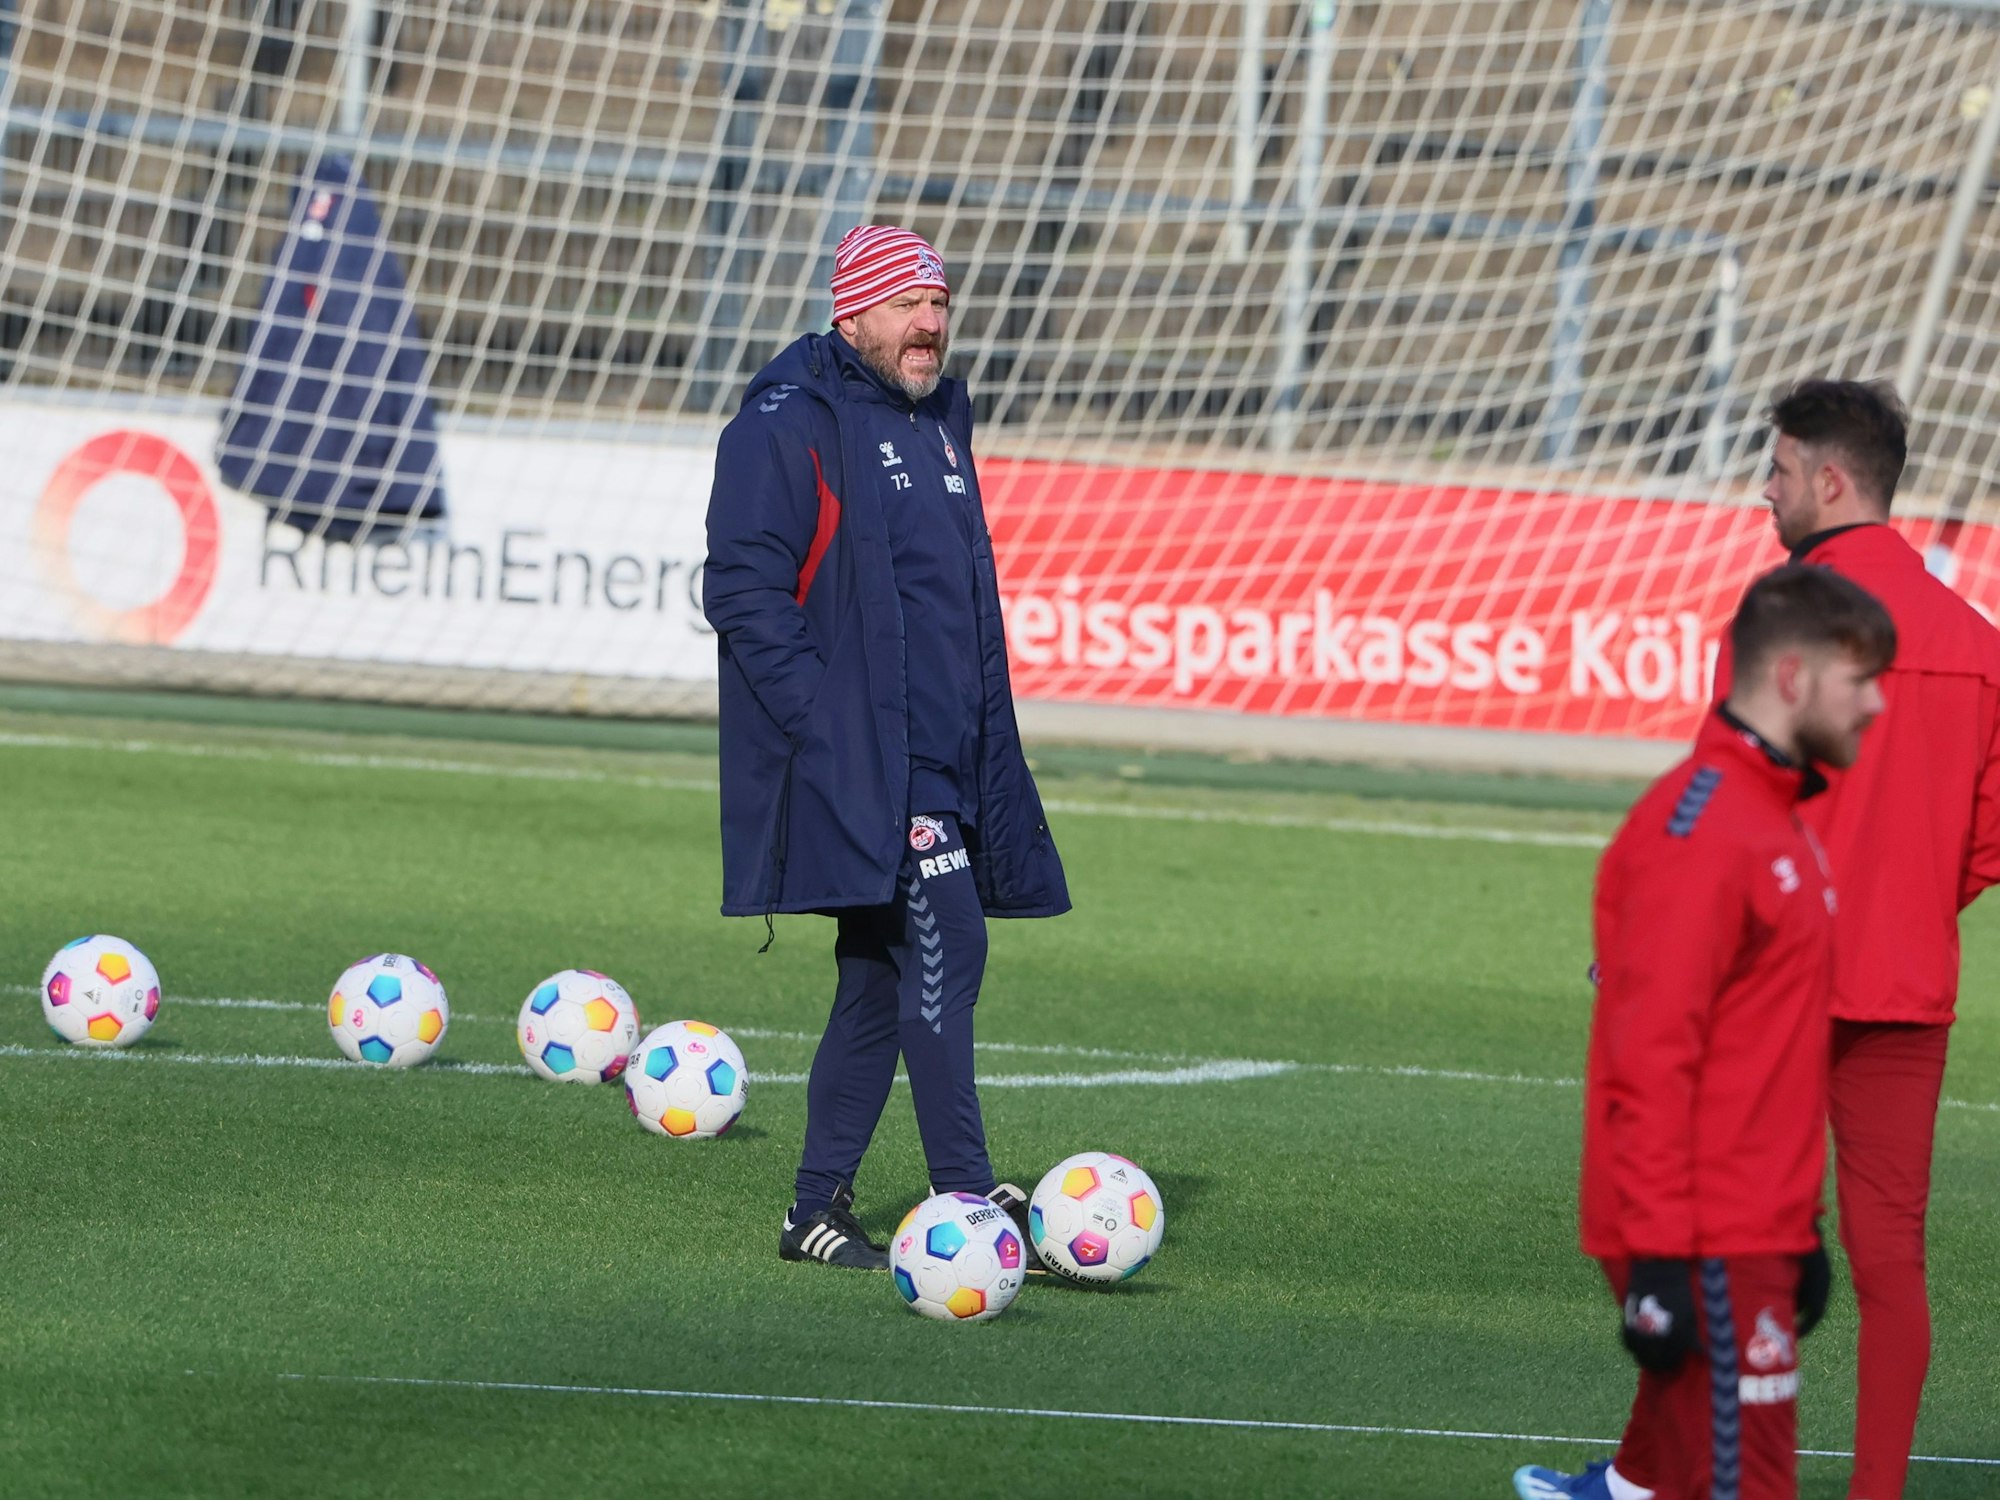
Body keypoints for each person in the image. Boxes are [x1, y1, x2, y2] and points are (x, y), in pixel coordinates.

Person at [703, 224, 1070, 1272]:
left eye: (939, 304)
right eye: (907, 304)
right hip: (868, 761)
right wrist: (830, 730)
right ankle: (969, 1197)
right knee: (950, 947)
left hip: (951, 755)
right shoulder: (786, 423)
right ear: (851, 310)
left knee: (877, 978)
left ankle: (813, 1211)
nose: (928, 324)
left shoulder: (940, 421)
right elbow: (739, 590)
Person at [1514, 563, 1896, 1500]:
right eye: (1861, 680)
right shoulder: (1706, 830)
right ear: (1796, 678)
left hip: (1749, 1225)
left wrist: (1798, 1226)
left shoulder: (1777, 814)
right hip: (1702, 1237)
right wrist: (1655, 1261)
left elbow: (1759, 1053)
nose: (1879, 704)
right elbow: (1648, 1058)